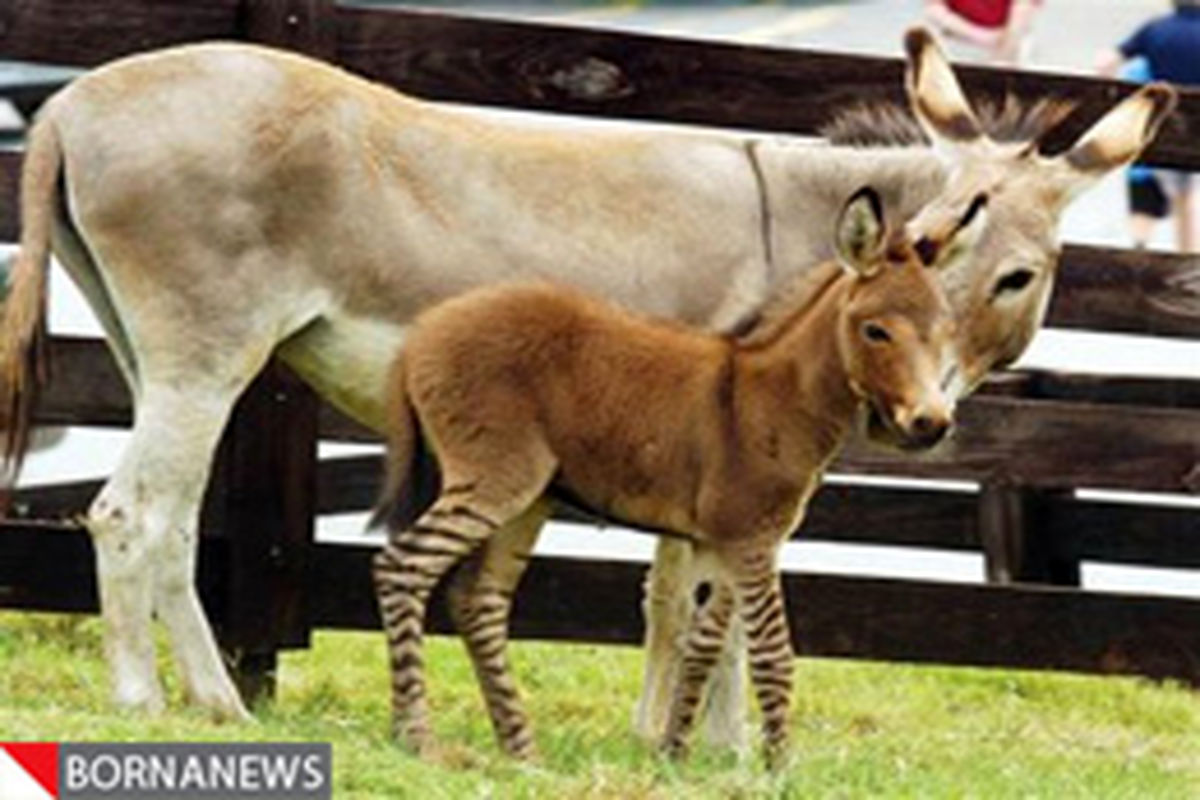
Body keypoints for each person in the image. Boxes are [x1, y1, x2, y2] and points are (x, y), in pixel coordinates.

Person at [1098, 1, 1200, 252]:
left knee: (1145, 177)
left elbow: (1106, 63)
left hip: (1159, 127)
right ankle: (1187, 259)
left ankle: (1140, 244)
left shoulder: (1155, 29)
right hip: (1196, 132)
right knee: (1184, 197)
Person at [923, 0, 1042, 64]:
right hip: (958, 44)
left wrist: (1004, 57)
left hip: (1010, 43)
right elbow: (934, 9)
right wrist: (983, 37)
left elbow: (1022, 13)